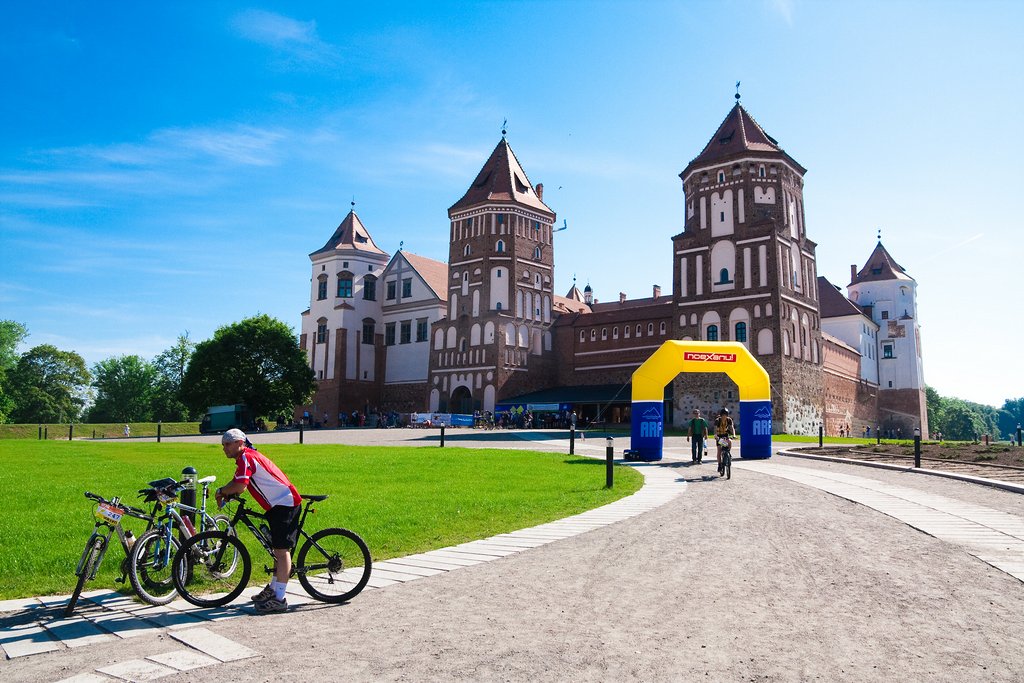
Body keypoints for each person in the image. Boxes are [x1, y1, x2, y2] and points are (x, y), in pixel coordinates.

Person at [215, 428, 302, 614]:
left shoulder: (246, 457)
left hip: (285, 503)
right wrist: (228, 492)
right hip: (277, 505)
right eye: (223, 445)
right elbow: (237, 483)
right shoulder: (246, 457)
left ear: (240, 443)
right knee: (276, 550)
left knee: (281, 552)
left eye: (227, 444)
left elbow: (240, 486)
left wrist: (221, 492)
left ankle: (280, 599)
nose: (224, 448)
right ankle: (273, 589)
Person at [714, 408, 736, 476]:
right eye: (723, 415)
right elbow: (715, 429)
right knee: (719, 450)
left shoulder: (729, 420)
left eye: (725, 415)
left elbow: (732, 428)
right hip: (719, 436)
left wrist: (734, 435)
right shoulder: (717, 420)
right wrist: (715, 436)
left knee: (730, 441)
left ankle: (728, 452)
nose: (724, 416)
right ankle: (719, 464)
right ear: (721, 415)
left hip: (725, 435)